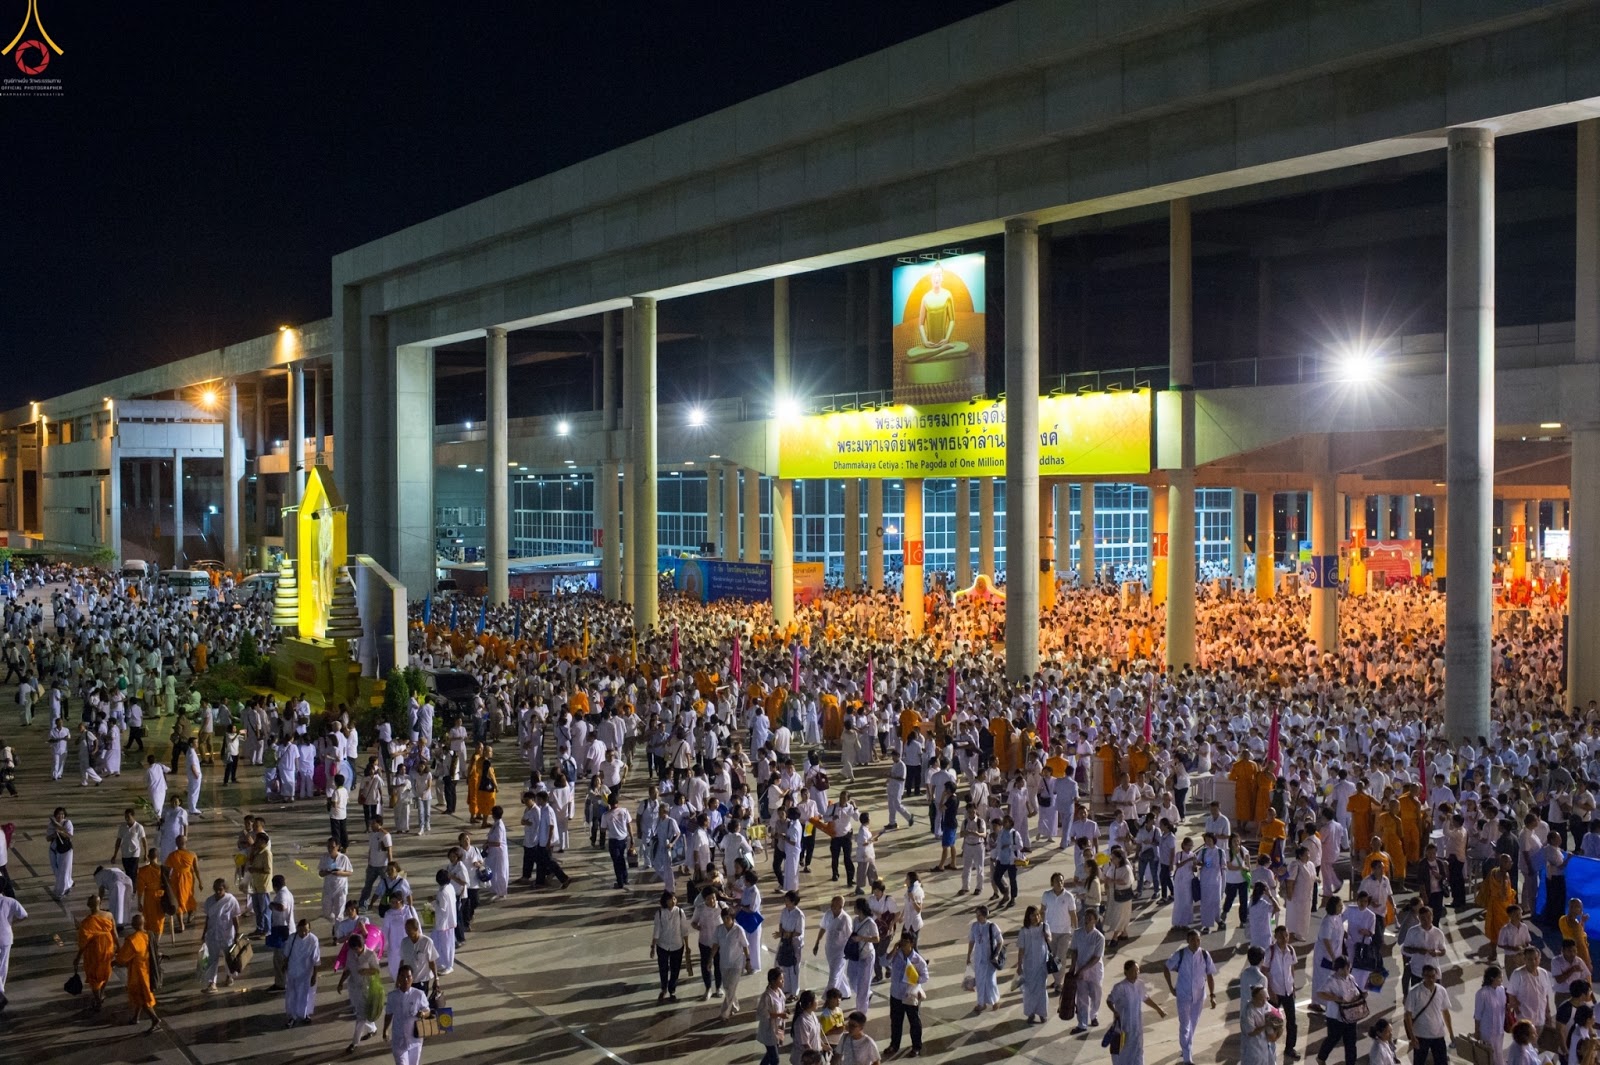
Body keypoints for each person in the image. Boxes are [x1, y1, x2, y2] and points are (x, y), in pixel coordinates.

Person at [1163, 928, 1218, 1065]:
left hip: (1199, 995)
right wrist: (1171, 987)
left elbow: (1210, 975)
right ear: (1187, 941)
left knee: (1193, 1022)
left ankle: (1186, 1047)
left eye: (1198, 940)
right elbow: (1166, 967)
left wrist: (1212, 995)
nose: (1196, 942)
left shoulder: (1205, 954)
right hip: (1183, 994)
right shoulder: (1181, 954)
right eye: (1193, 940)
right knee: (1185, 1024)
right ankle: (1187, 1058)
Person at [1107, 958, 1167, 1065]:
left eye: (1137, 971)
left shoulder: (1140, 984)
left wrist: (1158, 1009)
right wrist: (1114, 1011)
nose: (1136, 974)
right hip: (1123, 1028)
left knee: (1138, 1053)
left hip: (1136, 1027)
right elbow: (1109, 1000)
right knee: (1122, 1055)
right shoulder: (1120, 987)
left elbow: (1145, 998)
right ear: (1126, 972)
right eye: (1133, 971)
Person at [113, 911, 159, 1032]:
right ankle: (135, 1017)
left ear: (133, 925)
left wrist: (114, 962)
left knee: (142, 997)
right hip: (148, 969)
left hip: (138, 973)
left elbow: (122, 958)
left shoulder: (133, 940)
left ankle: (154, 1019)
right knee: (140, 995)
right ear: (144, 923)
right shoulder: (149, 935)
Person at [885, 931, 929, 1056]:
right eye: (902, 941)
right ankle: (894, 1045)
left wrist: (915, 979)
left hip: (909, 995)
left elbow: (925, 977)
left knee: (914, 1022)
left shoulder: (918, 960)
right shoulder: (896, 955)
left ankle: (916, 1046)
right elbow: (885, 962)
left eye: (906, 942)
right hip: (896, 994)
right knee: (895, 1022)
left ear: (912, 943)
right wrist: (894, 949)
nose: (903, 944)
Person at [1314, 956, 1363, 1065]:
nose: (1348, 970)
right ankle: (1321, 1057)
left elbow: (1356, 991)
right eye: (1346, 968)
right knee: (1333, 1038)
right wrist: (1336, 998)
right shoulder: (1332, 980)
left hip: (1350, 1015)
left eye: (1348, 968)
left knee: (1351, 1041)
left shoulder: (1351, 978)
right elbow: (1320, 993)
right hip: (1335, 1016)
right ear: (1339, 969)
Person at [1402, 964, 1454, 1065]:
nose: (1431, 979)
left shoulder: (1441, 991)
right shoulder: (1414, 992)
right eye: (1428, 976)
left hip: (1438, 1034)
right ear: (1423, 976)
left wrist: (1451, 1033)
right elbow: (1408, 1015)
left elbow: (1446, 1012)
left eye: (1433, 976)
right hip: (1421, 1035)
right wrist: (1412, 1036)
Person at [73, 893, 117, 1011]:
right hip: (108, 948)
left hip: (94, 951)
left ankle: (98, 1000)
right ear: (100, 903)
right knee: (106, 971)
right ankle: (101, 993)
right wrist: (119, 948)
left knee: (93, 976)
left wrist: (78, 957)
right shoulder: (109, 915)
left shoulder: (86, 923)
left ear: (88, 905)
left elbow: (83, 944)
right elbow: (115, 934)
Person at [383, 963, 432, 1065]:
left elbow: (428, 1011)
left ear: (412, 978)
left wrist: (423, 1014)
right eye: (402, 976)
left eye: (408, 977)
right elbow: (389, 1014)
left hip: (415, 1039)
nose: (405, 980)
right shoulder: (392, 996)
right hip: (398, 1039)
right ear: (398, 979)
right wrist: (385, 1030)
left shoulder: (419, 994)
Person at [1068, 907, 1106, 1033]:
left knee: (1096, 996)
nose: (1087, 920)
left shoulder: (1099, 937)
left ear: (1095, 920)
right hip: (1080, 970)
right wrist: (1073, 967)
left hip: (1094, 971)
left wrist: (1083, 969)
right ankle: (1082, 1024)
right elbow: (1074, 951)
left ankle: (1094, 1015)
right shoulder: (1077, 933)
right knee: (1081, 998)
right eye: (1086, 917)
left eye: (1090, 918)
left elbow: (1096, 957)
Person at [201, 877, 243, 992]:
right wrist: (204, 933)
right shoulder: (209, 901)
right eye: (216, 889)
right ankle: (212, 983)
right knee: (212, 959)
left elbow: (235, 918)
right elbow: (208, 918)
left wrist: (237, 934)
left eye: (220, 889)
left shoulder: (231, 900)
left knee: (228, 957)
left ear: (225, 889)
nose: (218, 892)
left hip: (227, 934)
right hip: (212, 934)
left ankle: (229, 976)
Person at [1266, 923, 1300, 1063]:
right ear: (1276, 937)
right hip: (1275, 991)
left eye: (1286, 935)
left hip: (1288, 991)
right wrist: (1270, 991)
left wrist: (1293, 985)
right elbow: (1265, 971)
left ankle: (1290, 1048)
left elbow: (1291, 968)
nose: (1284, 938)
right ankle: (1268, 1047)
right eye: (1281, 936)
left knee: (1292, 1021)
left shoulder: (1290, 950)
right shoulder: (1270, 951)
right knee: (1272, 1022)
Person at [650, 890, 690, 1003]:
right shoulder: (659, 913)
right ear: (665, 901)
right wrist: (653, 946)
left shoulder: (680, 912)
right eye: (670, 899)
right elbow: (656, 931)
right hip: (662, 945)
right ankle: (664, 988)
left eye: (674, 899)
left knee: (675, 968)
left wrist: (687, 946)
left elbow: (684, 930)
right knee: (663, 968)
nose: (673, 901)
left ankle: (672, 989)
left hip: (677, 945)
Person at [1016, 904, 1052, 1024]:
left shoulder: (1044, 926)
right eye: (1033, 915)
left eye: (1037, 915)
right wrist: (1019, 965)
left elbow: (1049, 940)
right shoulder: (1024, 931)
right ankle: (1030, 1013)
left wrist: (1047, 936)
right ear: (1028, 917)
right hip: (1029, 965)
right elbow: (1021, 949)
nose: (1036, 917)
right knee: (1029, 990)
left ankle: (1042, 1013)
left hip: (1042, 963)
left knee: (1041, 989)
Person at [716, 907, 753, 1021]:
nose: (725, 920)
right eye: (723, 918)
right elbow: (715, 945)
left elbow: (745, 946)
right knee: (728, 988)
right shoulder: (719, 929)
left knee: (730, 987)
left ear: (732, 918)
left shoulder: (738, 930)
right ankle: (735, 1006)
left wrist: (748, 961)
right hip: (724, 963)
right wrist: (709, 959)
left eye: (728, 918)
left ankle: (724, 1013)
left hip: (736, 964)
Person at [966, 903, 1005, 1013]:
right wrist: (968, 955)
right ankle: (981, 1003)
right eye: (977, 915)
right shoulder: (974, 926)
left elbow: (1000, 941)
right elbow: (972, 941)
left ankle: (995, 1001)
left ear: (985, 915)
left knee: (990, 981)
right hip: (978, 958)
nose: (978, 917)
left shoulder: (992, 926)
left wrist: (996, 954)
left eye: (980, 915)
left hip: (989, 959)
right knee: (980, 982)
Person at [282, 917, 321, 1027]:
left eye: (306, 931)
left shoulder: (313, 940)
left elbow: (316, 959)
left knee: (305, 994)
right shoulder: (292, 938)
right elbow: (286, 954)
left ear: (309, 930)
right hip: (292, 971)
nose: (303, 933)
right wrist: (284, 965)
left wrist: (314, 975)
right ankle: (292, 1016)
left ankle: (304, 1014)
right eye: (301, 930)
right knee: (292, 994)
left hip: (306, 972)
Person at [1474, 966, 1508, 1065]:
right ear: (1492, 978)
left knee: (1498, 1055)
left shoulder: (1501, 990)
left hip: (1499, 1030)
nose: (1502, 980)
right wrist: (1477, 1032)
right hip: (1487, 1033)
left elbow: (1503, 1007)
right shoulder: (1482, 993)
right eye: (1500, 978)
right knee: (1489, 1058)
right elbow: (1477, 1015)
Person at [756, 967, 788, 1065]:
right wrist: (780, 1014)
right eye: (780, 979)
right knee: (775, 1059)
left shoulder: (779, 992)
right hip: (769, 1030)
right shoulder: (766, 996)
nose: (783, 981)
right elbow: (763, 1014)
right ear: (773, 981)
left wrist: (784, 1012)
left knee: (770, 1055)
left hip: (778, 1028)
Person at [1241, 983, 1279, 1065]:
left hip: (1266, 1045)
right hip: (1254, 1047)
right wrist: (1266, 1025)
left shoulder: (1265, 1004)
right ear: (1254, 999)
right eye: (1261, 1000)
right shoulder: (1249, 1011)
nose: (1264, 1002)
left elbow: (1276, 1013)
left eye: (1266, 998)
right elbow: (1251, 1032)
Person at [0, 887, 26, 1003]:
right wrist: (10, 923)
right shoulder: (11, 901)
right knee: (3, 963)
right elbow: (24, 915)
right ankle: (1, 988)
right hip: (6, 936)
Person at [790, 989, 824, 1065]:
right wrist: (815, 1059)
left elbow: (816, 1035)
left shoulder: (812, 1014)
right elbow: (805, 1044)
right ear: (809, 1004)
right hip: (806, 1060)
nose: (818, 1001)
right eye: (816, 999)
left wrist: (823, 1045)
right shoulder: (802, 1021)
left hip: (814, 1056)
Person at [48, 806, 74, 900]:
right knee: (56, 870)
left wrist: (60, 831)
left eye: (62, 814)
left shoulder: (68, 823)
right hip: (54, 849)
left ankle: (60, 892)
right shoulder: (51, 825)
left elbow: (69, 835)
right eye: (58, 814)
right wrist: (54, 834)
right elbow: (47, 838)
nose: (60, 816)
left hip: (65, 850)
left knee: (63, 871)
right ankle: (69, 883)